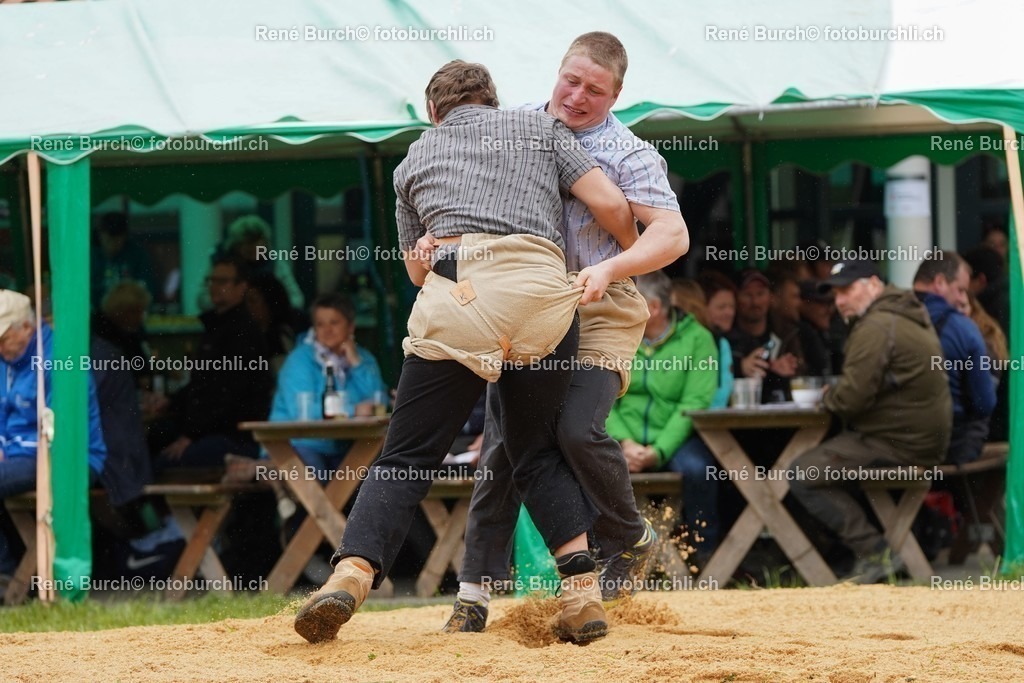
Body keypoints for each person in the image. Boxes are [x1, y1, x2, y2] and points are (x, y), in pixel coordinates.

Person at [293, 59, 643, 646]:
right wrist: (627, 256)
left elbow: (413, 270)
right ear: (492, 101)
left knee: (406, 456)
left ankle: (351, 575)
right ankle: (582, 595)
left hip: (459, 291)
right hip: (540, 295)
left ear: (434, 113)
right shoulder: (541, 130)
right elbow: (610, 205)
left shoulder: (414, 158)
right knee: (535, 451)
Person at [430, 32, 689, 632]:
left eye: (594, 90)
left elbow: (671, 237)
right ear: (558, 71)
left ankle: (629, 532)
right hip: (523, 304)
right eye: (570, 80)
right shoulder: (513, 125)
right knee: (502, 448)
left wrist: (611, 266)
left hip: (600, 305)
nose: (576, 96)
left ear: (615, 93)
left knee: (576, 427)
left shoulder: (629, 154)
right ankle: (472, 596)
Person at [788, 260, 951, 583]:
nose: (840, 301)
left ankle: (876, 552)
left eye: (847, 290)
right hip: (921, 439)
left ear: (873, 284)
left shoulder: (876, 326)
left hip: (902, 444)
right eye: (835, 294)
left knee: (802, 472)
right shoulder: (904, 313)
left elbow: (850, 400)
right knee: (826, 461)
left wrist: (827, 397)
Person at [605, 272, 719, 557]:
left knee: (699, 470)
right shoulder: (615, 334)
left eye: (629, 299)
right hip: (621, 440)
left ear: (653, 308)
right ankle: (604, 556)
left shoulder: (698, 339)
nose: (620, 306)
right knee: (586, 466)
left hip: (676, 440)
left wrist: (658, 450)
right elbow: (602, 398)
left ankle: (703, 554)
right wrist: (625, 442)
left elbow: (693, 403)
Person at [0, 291, 108, 580]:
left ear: (26, 327)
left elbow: (59, 434)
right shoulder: (7, 358)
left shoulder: (61, 359)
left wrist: (6, 449)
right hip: (17, 455)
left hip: (65, 458)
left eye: (2, 337)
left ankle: (6, 575)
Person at [148, 255, 273, 471]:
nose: (215, 287)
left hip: (232, 434)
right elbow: (204, 384)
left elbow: (228, 394)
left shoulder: (243, 334)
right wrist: (171, 401)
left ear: (241, 287)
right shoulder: (216, 328)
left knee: (161, 465)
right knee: (151, 441)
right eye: (211, 281)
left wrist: (191, 435)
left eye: (222, 281)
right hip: (210, 429)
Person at [269, 293, 387, 477]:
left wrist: (356, 364)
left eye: (334, 322)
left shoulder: (364, 359)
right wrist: (353, 411)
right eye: (320, 324)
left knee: (377, 474)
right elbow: (301, 411)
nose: (327, 330)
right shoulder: (299, 360)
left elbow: (379, 401)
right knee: (313, 474)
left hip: (346, 444)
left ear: (351, 326)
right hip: (297, 444)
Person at [912, 252, 996, 465]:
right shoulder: (963, 329)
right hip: (951, 448)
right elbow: (985, 403)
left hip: (897, 444)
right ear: (939, 282)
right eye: (960, 290)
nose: (963, 299)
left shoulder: (885, 320)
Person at [727, 268, 799, 403]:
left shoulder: (788, 334)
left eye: (760, 294)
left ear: (770, 297)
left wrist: (781, 373)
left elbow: (804, 378)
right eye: (747, 295)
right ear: (735, 298)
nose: (755, 302)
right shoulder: (727, 336)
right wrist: (740, 367)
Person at [222, 215, 304, 309]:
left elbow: (296, 299)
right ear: (236, 247)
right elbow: (205, 300)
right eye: (247, 244)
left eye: (255, 243)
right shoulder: (225, 267)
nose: (252, 247)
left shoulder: (277, 264)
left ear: (266, 243)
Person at [91, 213, 159, 310]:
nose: (112, 246)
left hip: (129, 314)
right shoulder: (90, 256)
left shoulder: (137, 255)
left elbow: (148, 288)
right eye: (108, 240)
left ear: (124, 237)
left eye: (117, 241)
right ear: (100, 235)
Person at [246, 272, 298, 376]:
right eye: (246, 301)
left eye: (253, 301)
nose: (247, 307)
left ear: (269, 302)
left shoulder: (278, 339)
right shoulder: (250, 335)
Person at [698, 271, 737, 408]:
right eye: (722, 307)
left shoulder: (723, 342)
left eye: (732, 306)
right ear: (702, 307)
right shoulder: (702, 341)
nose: (729, 313)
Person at [797, 280, 843, 377]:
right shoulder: (798, 334)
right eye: (822, 303)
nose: (828, 310)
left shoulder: (824, 332)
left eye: (830, 303)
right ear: (804, 303)